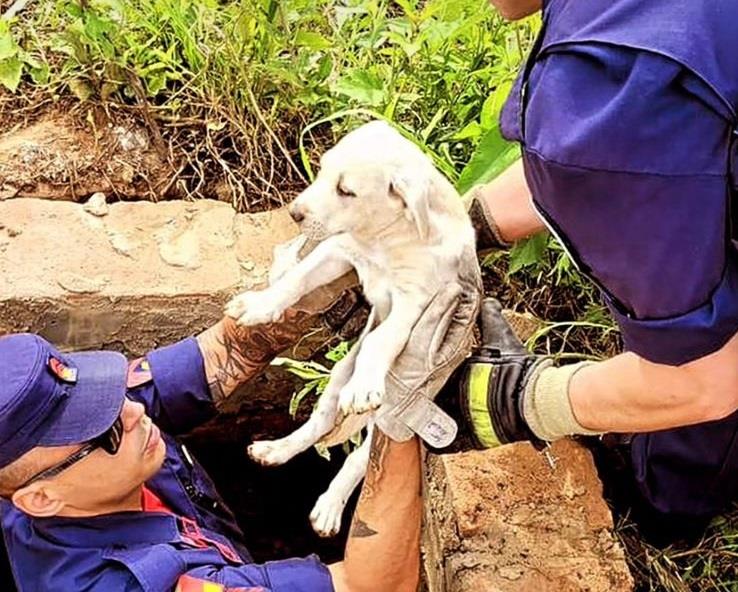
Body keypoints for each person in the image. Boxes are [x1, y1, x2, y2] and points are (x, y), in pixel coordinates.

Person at [0, 265, 479, 592]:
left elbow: (226, 350)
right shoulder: (136, 583)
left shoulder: (71, 438)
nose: (132, 413)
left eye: (108, 395)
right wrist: (399, 403)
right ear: (40, 499)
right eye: (102, 429)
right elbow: (369, 584)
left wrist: (317, 282)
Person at [456, 0, 738, 542]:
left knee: (697, 343)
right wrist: (449, 233)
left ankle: (667, 501)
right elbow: (617, 154)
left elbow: (703, 380)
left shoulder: (608, 71)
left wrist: (519, 400)